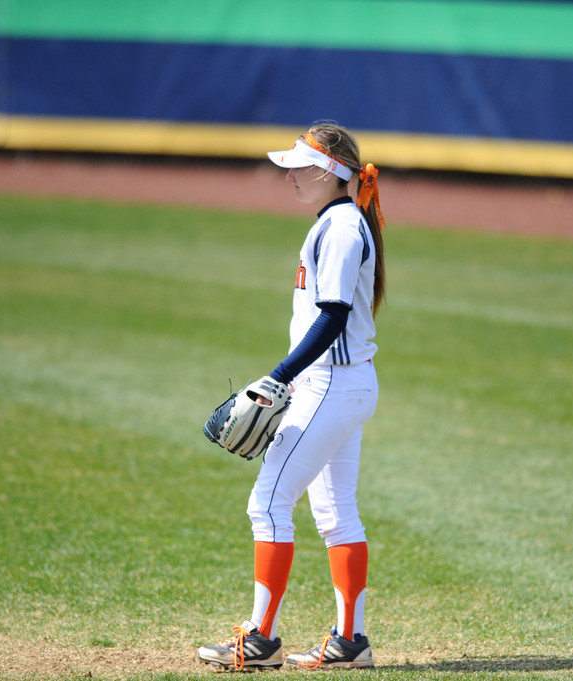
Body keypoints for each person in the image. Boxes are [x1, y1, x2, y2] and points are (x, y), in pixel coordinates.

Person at [197, 122, 387, 670]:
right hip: (342, 384)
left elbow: (332, 317)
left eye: (301, 167)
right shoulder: (337, 222)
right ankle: (350, 642)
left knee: (269, 502)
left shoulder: (343, 227)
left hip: (331, 382)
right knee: (334, 511)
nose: (290, 176)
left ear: (331, 173)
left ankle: (259, 639)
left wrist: (279, 376)